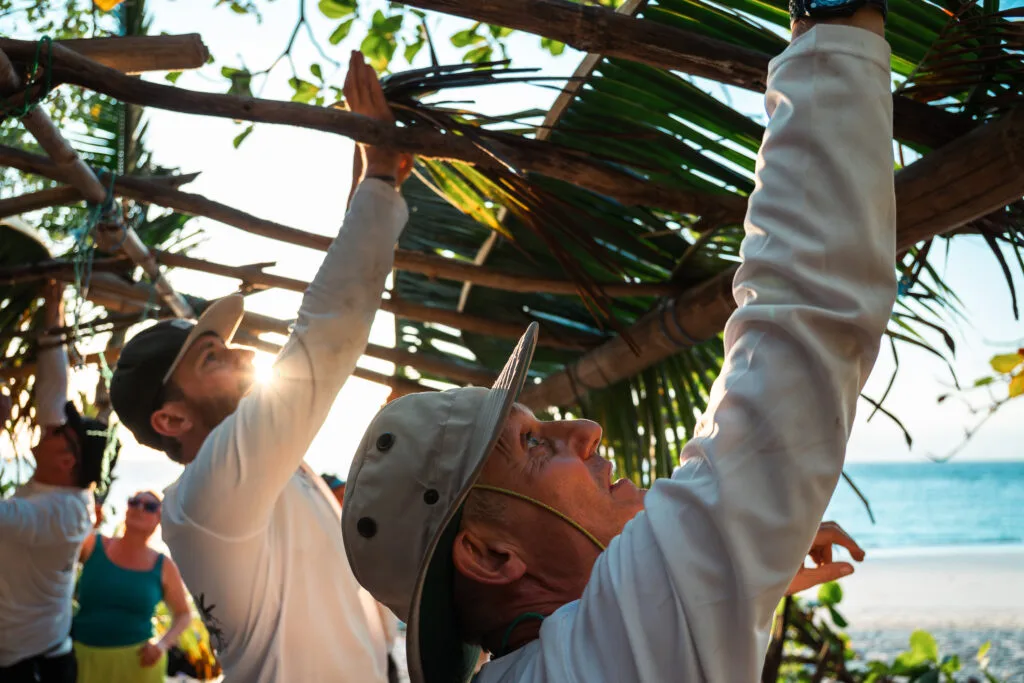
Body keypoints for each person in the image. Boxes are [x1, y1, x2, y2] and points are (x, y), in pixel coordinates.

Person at [342, 5, 896, 682]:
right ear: (489, 555)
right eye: (533, 445)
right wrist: (834, 22)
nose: (585, 431)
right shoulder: (614, 646)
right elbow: (803, 317)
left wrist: (719, 580)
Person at [107, 50, 413, 682]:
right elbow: (323, 341)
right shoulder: (207, 496)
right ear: (171, 419)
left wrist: (368, 182)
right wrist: (380, 178)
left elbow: (327, 331)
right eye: (212, 357)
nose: (245, 354)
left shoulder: (261, 474)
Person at [0, 282, 113, 682]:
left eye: (59, 431)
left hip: (34, 667)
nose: (49, 425)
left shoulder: (63, 515)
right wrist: (54, 308)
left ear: (66, 460)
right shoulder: (65, 482)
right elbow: (52, 390)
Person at [71, 489, 192, 683]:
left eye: (150, 506)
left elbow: (183, 614)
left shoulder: (163, 565)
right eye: (134, 502)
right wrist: (87, 524)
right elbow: (58, 555)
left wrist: (161, 645)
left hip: (139, 665)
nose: (139, 508)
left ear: (159, 519)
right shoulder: (94, 544)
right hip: (82, 659)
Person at [323, 472, 403, 683]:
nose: (348, 503)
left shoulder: (363, 540)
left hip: (383, 652)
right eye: (341, 495)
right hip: (355, 657)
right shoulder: (326, 549)